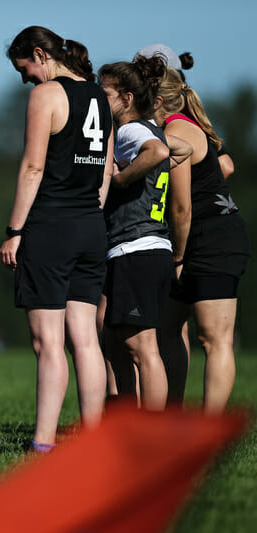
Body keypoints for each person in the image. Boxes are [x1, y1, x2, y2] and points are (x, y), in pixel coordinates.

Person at [0, 26, 113, 452]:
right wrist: (91, 212)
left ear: (39, 55)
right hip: (90, 226)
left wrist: (14, 231)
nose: (25, 78)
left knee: (48, 341)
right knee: (84, 338)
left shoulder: (46, 96)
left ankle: (43, 442)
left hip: (50, 227)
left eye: (24, 68)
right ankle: (95, 441)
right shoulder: (101, 96)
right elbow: (104, 168)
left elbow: (33, 168)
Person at [97, 57, 192, 410]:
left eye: (103, 93)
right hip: (142, 250)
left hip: (137, 248)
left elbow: (161, 151)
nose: (98, 99)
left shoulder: (129, 131)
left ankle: (150, 434)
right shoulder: (147, 128)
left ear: (126, 97)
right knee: (115, 340)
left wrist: (118, 178)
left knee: (142, 348)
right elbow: (181, 149)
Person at [153, 68, 249, 412]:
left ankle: (208, 431)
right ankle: (171, 415)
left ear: (158, 100)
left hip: (215, 240)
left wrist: (177, 259)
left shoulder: (178, 131)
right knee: (164, 327)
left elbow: (181, 209)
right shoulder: (171, 130)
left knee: (213, 338)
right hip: (193, 239)